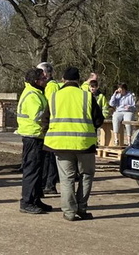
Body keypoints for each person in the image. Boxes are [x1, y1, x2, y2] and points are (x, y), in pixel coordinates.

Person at [43, 66, 104, 221]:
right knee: (86, 176)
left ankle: (69, 212)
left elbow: (45, 121)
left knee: (66, 179)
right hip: (85, 144)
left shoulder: (54, 97)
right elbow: (99, 120)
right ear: (79, 80)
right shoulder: (87, 96)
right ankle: (82, 208)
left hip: (60, 144)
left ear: (63, 80)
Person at [17, 67, 53, 214]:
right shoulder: (32, 95)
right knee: (31, 170)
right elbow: (38, 116)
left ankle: (35, 199)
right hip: (32, 137)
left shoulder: (37, 93)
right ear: (36, 81)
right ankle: (26, 202)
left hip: (37, 136)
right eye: (43, 79)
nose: (46, 80)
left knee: (38, 170)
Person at [37, 62, 59, 194]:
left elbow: (50, 108)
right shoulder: (50, 86)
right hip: (50, 126)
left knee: (49, 157)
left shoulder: (51, 87)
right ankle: (48, 184)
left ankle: (49, 185)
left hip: (51, 126)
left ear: (46, 73)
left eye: (40, 72)